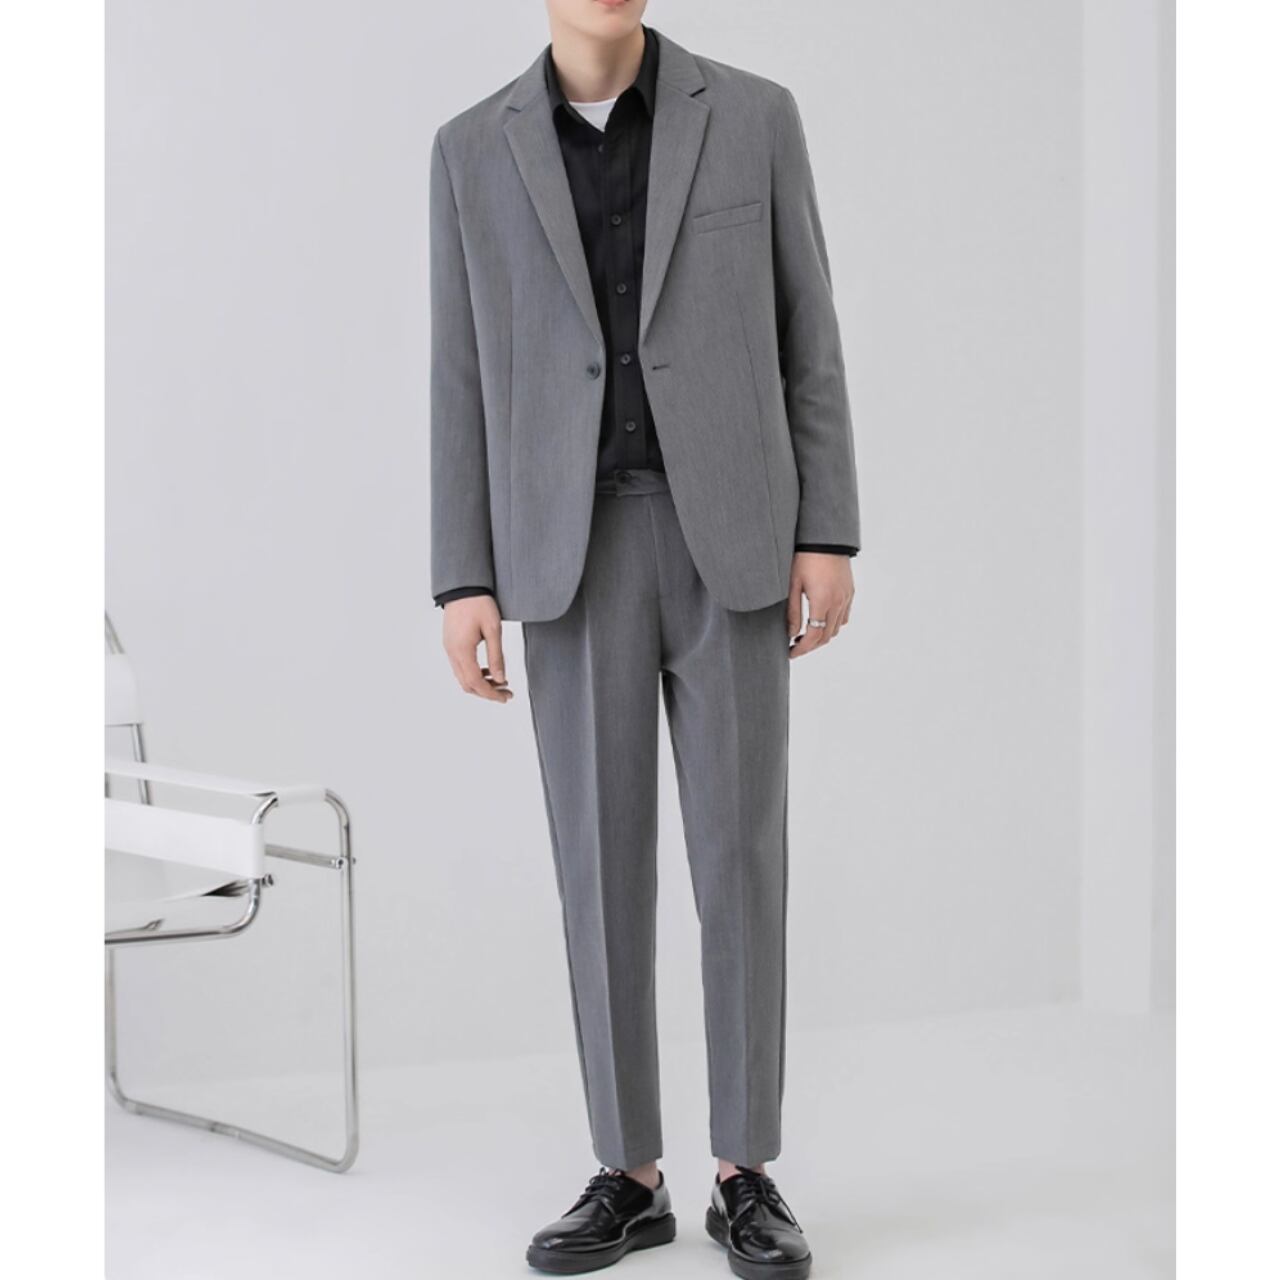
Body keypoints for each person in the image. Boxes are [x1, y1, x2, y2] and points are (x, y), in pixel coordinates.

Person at [430, 2, 858, 1275]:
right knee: (599, 866)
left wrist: (826, 529)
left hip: (732, 533)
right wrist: (463, 574)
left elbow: (808, 330)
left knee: (740, 855)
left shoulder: (754, 116)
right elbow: (459, 369)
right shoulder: (471, 148)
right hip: (567, 553)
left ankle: (745, 1170)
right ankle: (627, 1170)